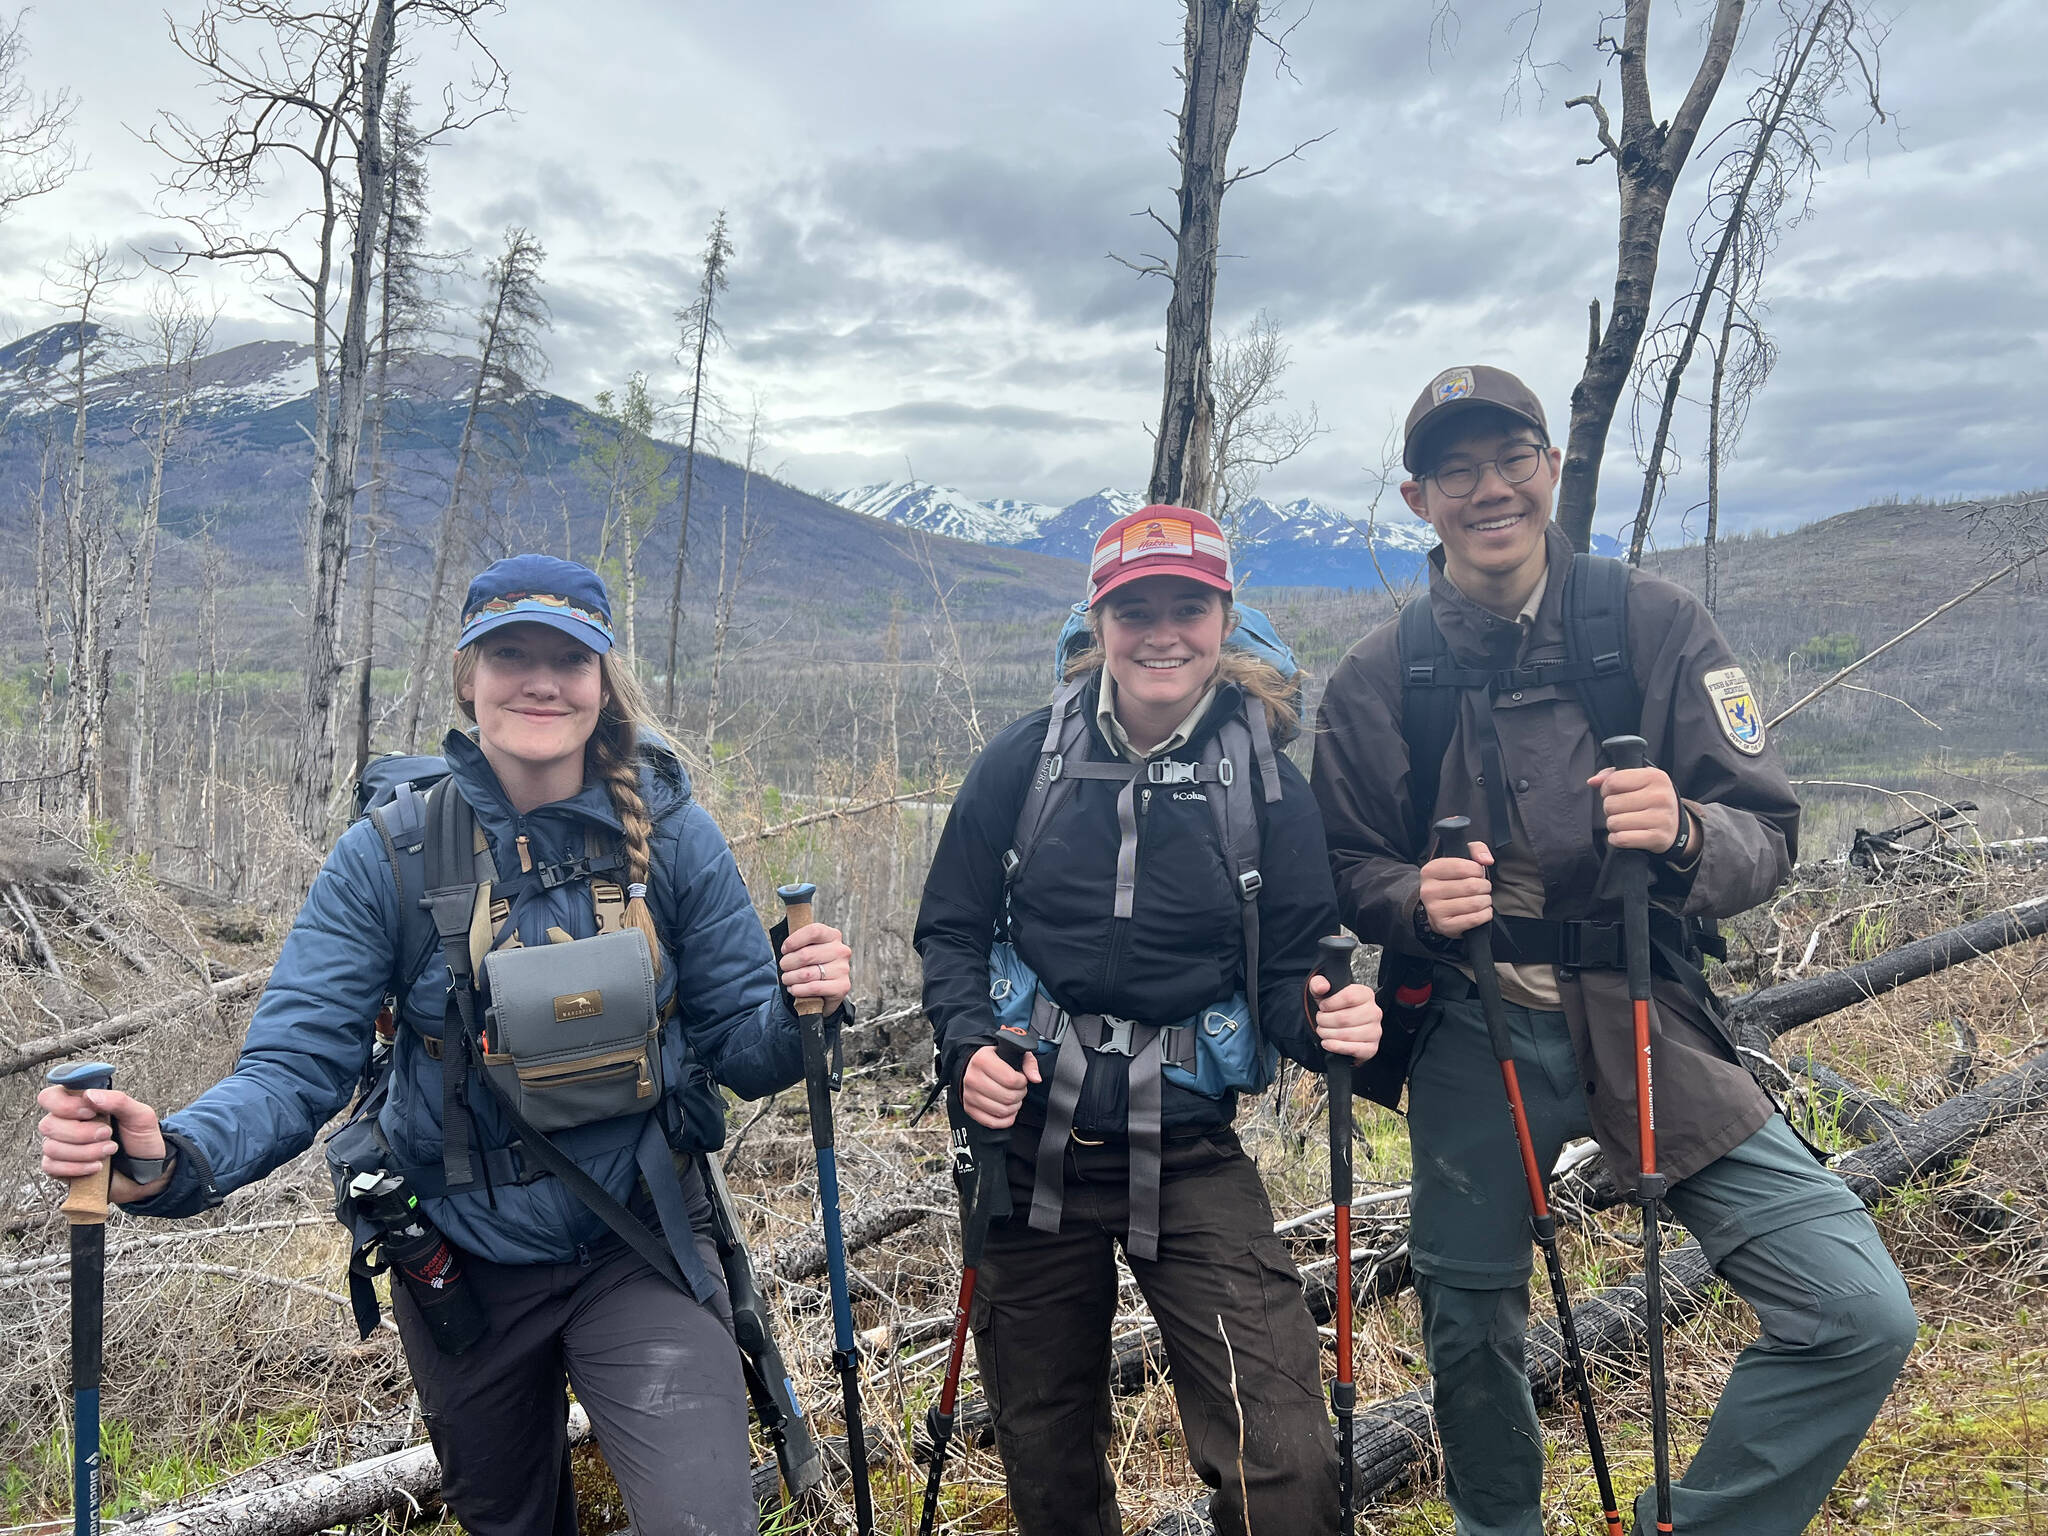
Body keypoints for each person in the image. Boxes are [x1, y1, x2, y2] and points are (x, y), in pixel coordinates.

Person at [38, 555, 852, 1536]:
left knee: (703, 1521)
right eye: (511, 654)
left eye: (569, 657)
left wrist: (806, 1008)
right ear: (467, 676)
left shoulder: (671, 837)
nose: (541, 679)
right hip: (461, 1264)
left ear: (602, 683)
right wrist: (170, 1156)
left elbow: (750, 1052)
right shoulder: (390, 854)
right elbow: (296, 1068)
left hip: (641, 1244)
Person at [1311, 365, 1918, 1536]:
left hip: (1643, 1013)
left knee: (1855, 1312)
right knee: (1467, 1321)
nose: (1488, 489)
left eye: (1509, 460)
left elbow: (1767, 834)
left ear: (1547, 467)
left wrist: (1686, 830)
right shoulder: (1378, 679)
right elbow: (1337, 870)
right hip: (1468, 1027)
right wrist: (1408, 897)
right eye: (1455, 470)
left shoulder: (1650, 622)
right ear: (1415, 498)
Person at [915, 505, 1382, 1536]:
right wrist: (966, 1048)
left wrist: (1325, 1023)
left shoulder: (1266, 785)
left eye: (1186, 606)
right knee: (1045, 1461)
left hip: (1184, 1147)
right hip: (1027, 1141)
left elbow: (1291, 968)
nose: (1160, 632)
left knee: (1285, 1462)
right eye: (1135, 609)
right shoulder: (1020, 761)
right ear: (1099, 621)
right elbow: (948, 931)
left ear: (1223, 616)